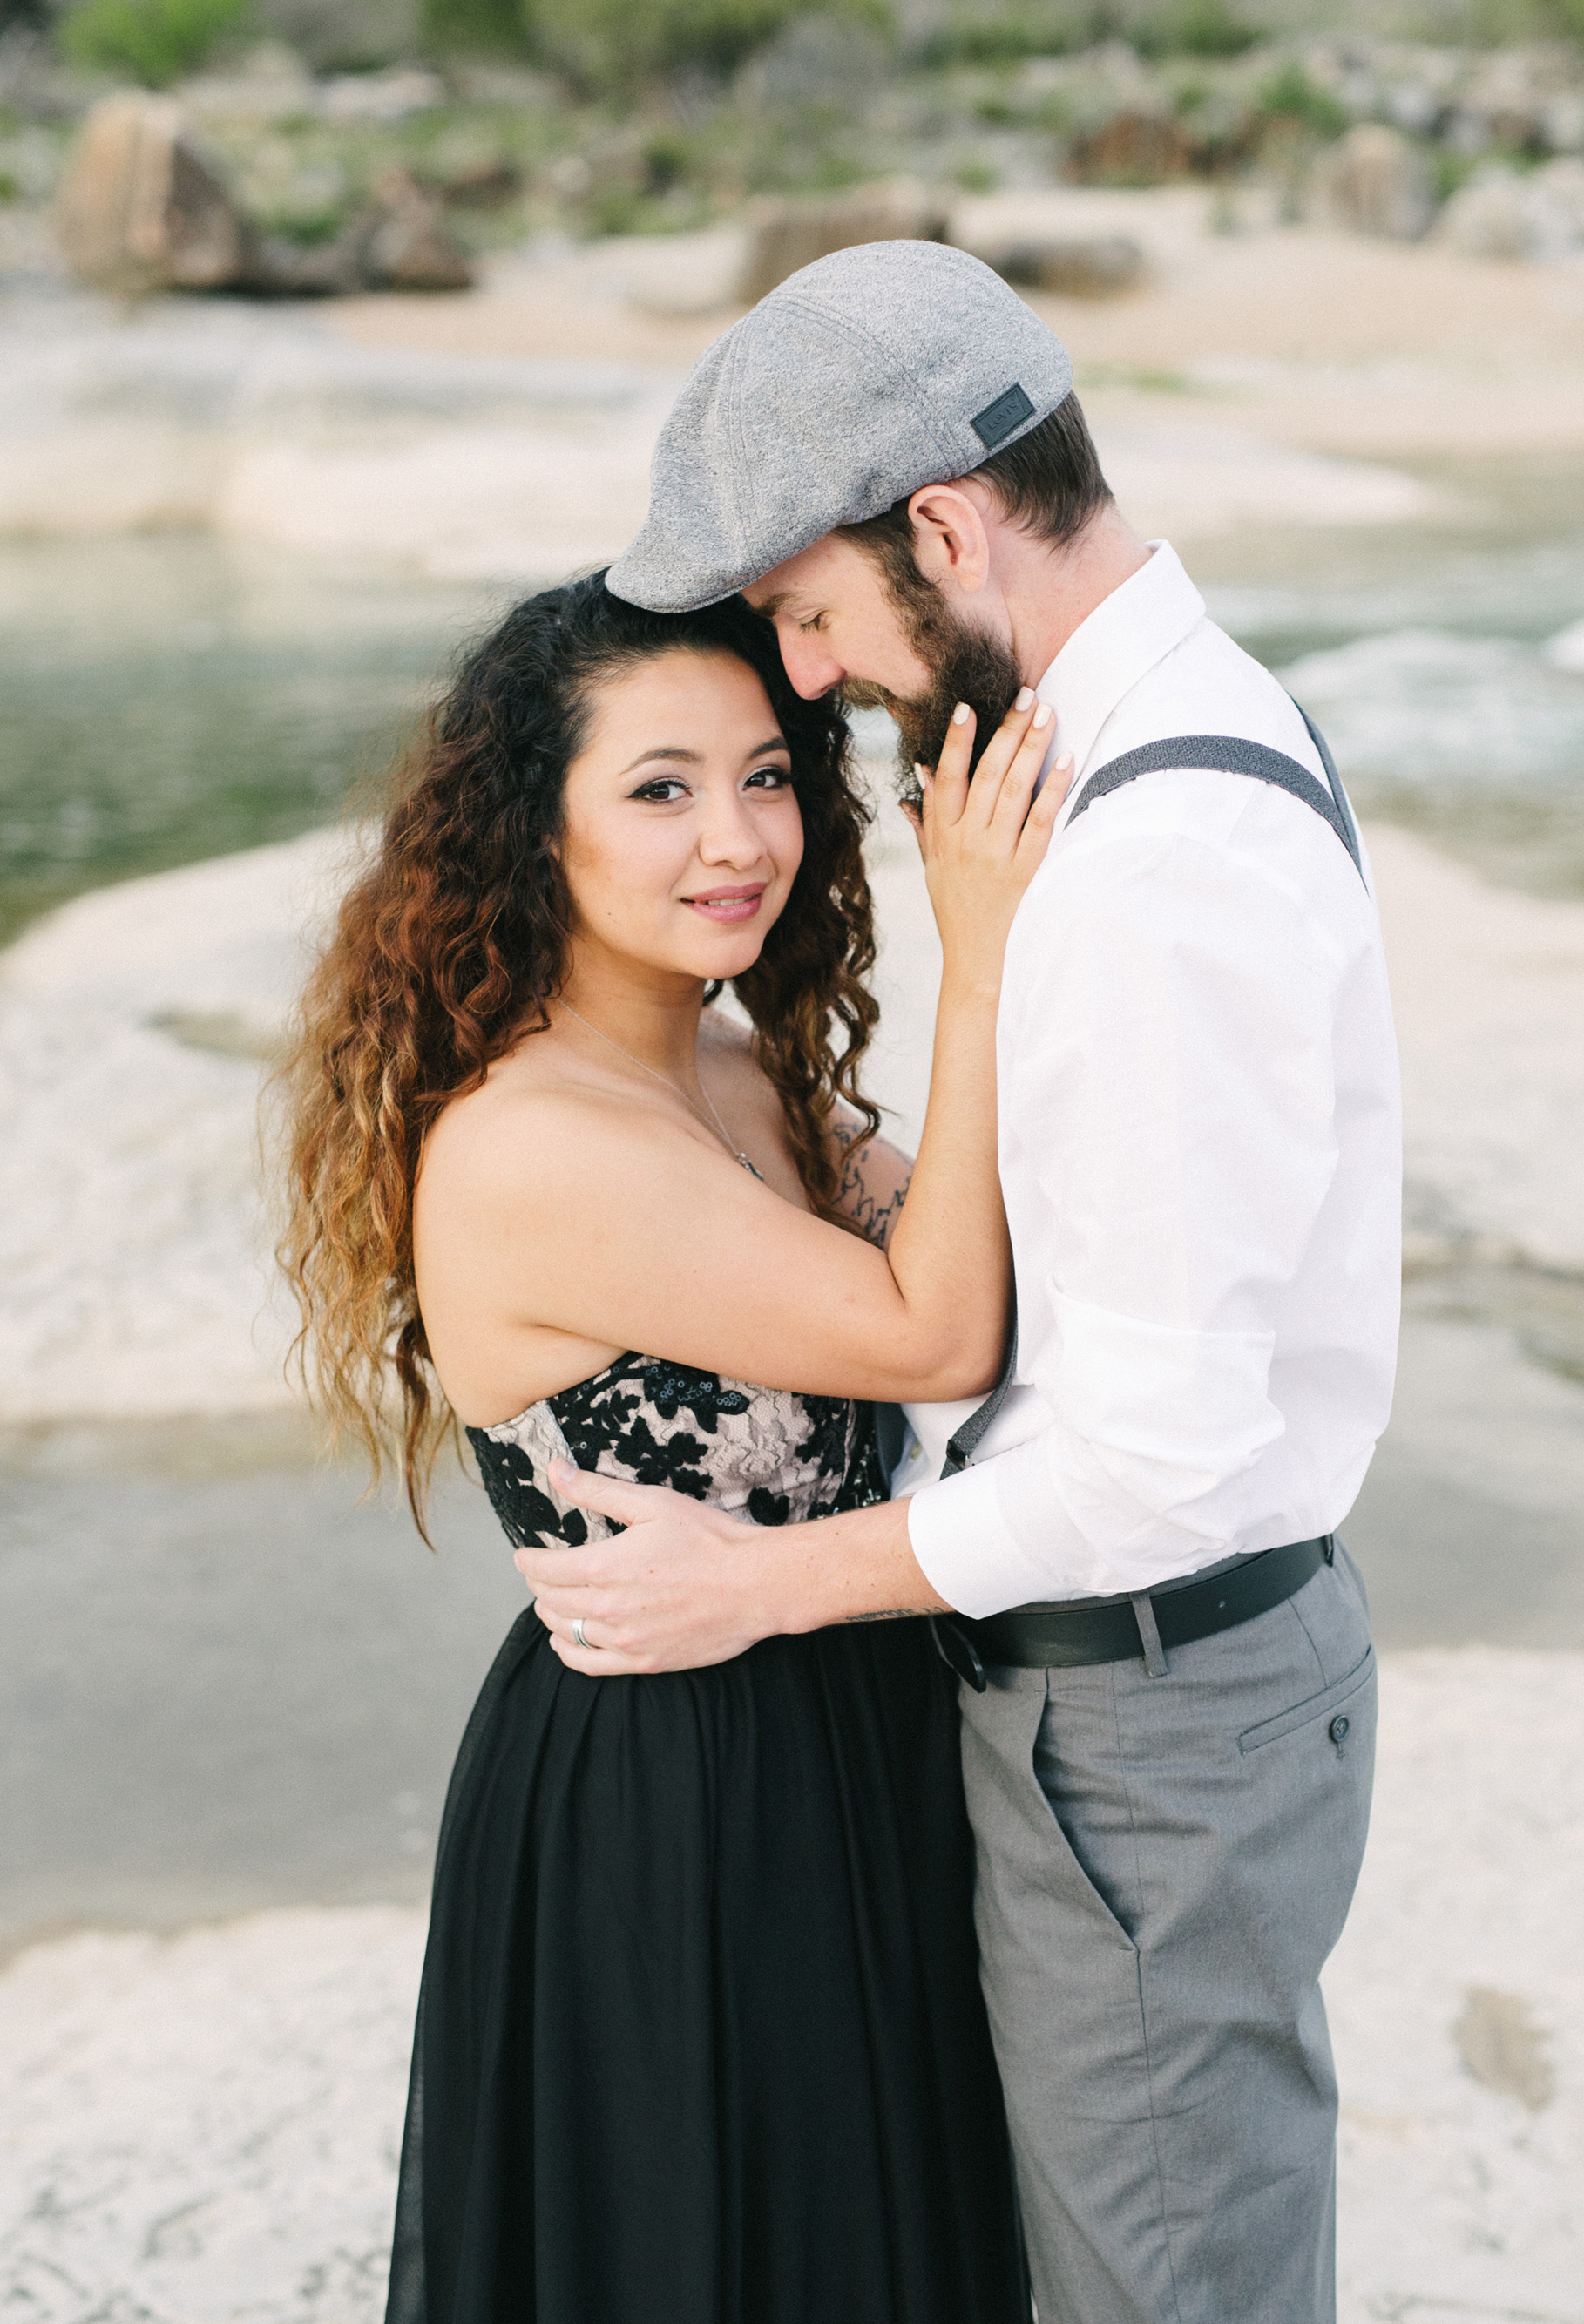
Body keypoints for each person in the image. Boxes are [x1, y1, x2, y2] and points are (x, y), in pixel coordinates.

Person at [519, 243, 1403, 2322]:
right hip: (1174, 1707)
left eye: (814, 616)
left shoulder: (1151, 858)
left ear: (941, 528)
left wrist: (760, 1582)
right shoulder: (1182, 730)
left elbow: (1155, 1462)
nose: (814, 682)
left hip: (1149, 1713)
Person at [275, 571, 1073, 2322]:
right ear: (530, 829)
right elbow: (937, 1326)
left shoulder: (730, 1064)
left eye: (768, 773)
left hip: (853, 1726)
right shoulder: (532, 1141)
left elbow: (988, 1239)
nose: (735, 835)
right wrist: (984, 956)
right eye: (659, 787)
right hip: (677, 1786)